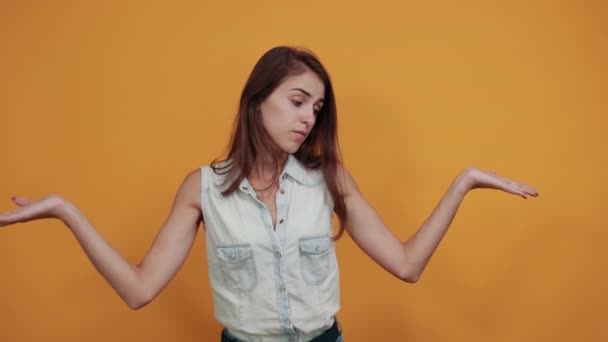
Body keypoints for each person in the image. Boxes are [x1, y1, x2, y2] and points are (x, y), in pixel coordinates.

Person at [0, 46, 539, 342]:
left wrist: (463, 182)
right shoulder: (203, 188)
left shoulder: (331, 179)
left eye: (317, 108)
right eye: (298, 100)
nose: (308, 117)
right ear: (258, 101)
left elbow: (407, 264)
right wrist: (67, 212)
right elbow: (139, 291)